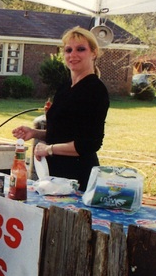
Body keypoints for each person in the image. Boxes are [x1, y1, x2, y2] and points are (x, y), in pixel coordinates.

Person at [12, 27, 110, 191]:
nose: (73, 55)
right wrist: (35, 133)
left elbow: (87, 143)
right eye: (68, 50)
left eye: (81, 49)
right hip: (53, 174)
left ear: (94, 53)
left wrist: (48, 149)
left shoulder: (95, 90)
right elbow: (64, 134)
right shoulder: (65, 87)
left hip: (78, 177)